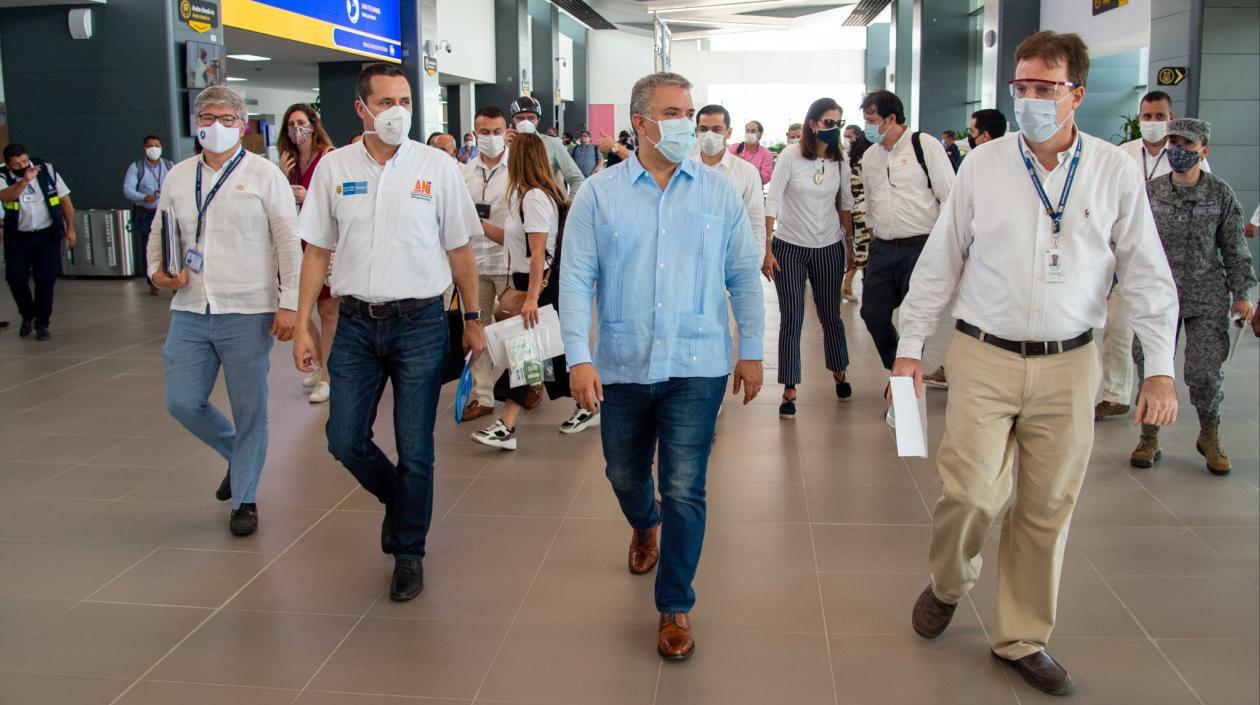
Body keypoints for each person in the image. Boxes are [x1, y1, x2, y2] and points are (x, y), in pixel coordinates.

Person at [892, 32, 1179, 697]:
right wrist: (910, 351)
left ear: (1076, 92)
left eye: (1043, 88)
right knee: (969, 492)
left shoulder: (1113, 170)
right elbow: (939, 266)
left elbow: (1146, 274)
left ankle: (1021, 636)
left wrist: (1158, 368)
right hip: (983, 353)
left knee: (1047, 505)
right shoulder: (984, 166)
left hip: (1070, 362)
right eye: (1020, 87)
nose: (1028, 100)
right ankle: (949, 580)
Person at [560, 71, 764, 661]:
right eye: (677, 113)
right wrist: (578, 356)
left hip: (697, 362)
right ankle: (642, 521)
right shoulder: (600, 194)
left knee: (685, 487)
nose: (690, 125)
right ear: (642, 123)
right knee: (624, 474)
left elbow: (741, 277)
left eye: (693, 111)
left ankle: (675, 603)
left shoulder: (719, 192)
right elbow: (575, 281)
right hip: (622, 363)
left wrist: (750, 349)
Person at [293, 62, 486, 603]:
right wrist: (304, 324)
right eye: (385, 102)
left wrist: (472, 320)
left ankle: (409, 552)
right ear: (361, 108)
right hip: (354, 323)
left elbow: (460, 250)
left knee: (416, 446)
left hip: (421, 323)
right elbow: (316, 252)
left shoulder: (436, 167)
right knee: (344, 438)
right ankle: (401, 502)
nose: (397, 112)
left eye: (404, 101)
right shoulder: (333, 168)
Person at [146, 85, 302, 537]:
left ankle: (246, 497)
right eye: (208, 117)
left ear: (243, 125)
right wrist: (157, 272)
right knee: (182, 399)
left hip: (248, 307)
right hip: (191, 306)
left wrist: (289, 304)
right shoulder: (178, 175)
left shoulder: (263, 174)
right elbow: (160, 232)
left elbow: (288, 243)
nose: (216, 126)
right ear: (196, 124)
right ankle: (240, 456)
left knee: (249, 406)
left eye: (227, 119)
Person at [1129, 118, 1256, 475]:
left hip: (1206, 295)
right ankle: (1149, 435)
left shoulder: (1220, 193)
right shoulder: (1150, 192)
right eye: (1173, 144)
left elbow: (1234, 247)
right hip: (1158, 295)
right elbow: (1131, 244)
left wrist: (1242, 293)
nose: (1177, 151)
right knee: (1150, 365)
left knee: (1205, 373)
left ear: (1204, 150)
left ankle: (1209, 434)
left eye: (1186, 145)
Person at [1098, 90, 1213, 422]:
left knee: (1164, 328)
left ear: (1171, 118)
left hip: (1176, 256)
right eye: (1147, 116)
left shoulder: (1186, 154)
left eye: (1159, 117)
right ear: (1139, 119)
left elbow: (1206, 196)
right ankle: (1115, 395)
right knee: (1116, 328)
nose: (1152, 122)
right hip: (1127, 254)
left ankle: (1166, 391)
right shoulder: (1122, 154)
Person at [471, 132, 587, 448]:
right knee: (549, 354)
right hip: (533, 285)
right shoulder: (527, 196)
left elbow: (538, 253)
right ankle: (588, 405)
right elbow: (515, 242)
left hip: (539, 286)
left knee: (527, 357)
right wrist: (477, 223)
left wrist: (532, 298)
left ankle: (506, 426)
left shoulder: (535, 198)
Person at [859, 90, 955, 399]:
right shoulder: (870, 156)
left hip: (921, 246)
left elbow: (949, 197)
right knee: (872, 313)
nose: (867, 127)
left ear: (890, 119)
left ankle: (903, 385)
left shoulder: (923, 145)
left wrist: (944, 248)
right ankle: (897, 369)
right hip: (884, 247)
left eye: (872, 120)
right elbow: (871, 202)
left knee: (915, 317)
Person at [763, 98, 855, 418]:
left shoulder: (839, 161)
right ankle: (789, 387)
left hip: (828, 245)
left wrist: (850, 245)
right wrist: (767, 247)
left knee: (830, 316)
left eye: (839, 124)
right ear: (813, 124)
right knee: (792, 319)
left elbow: (844, 203)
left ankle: (839, 370)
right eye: (829, 123)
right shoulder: (790, 156)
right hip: (789, 246)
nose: (834, 130)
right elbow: (772, 201)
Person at [277, 103, 338, 404]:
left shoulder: (328, 157)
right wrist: (282, 177)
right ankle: (315, 358)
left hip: (322, 242)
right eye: (290, 124)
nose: (296, 129)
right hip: (295, 241)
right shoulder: (287, 161)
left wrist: (307, 195)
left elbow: (336, 196)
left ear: (313, 125)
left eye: (301, 123)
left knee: (328, 311)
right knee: (302, 307)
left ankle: (328, 375)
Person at [460, 105, 517, 421]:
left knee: (517, 333)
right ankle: (481, 395)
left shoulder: (517, 170)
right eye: (484, 132)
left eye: (497, 132)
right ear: (474, 133)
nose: (491, 138)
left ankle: (523, 389)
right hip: (473, 264)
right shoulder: (463, 173)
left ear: (506, 132)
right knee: (475, 331)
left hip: (509, 265)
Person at [1, 143, 76, 341]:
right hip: (17, 237)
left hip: (47, 235)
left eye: (25, 160)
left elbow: (65, 201)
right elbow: (6, 196)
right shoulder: (2, 176)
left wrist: (71, 229)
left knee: (45, 280)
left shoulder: (47, 170)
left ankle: (42, 323)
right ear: (8, 165)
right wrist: (24, 181)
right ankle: (28, 314)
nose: (23, 165)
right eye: (16, 164)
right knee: (15, 278)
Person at [694, 104, 766, 260]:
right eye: (704, 129)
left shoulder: (746, 172)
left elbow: (755, 221)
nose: (709, 135)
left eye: (716, 129)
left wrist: (755, 263)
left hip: (730, 256)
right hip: (692, 258)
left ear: (729, 132)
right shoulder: (684, 170)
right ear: (696, 132)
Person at [123, 135, 173, 296]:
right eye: (150, 146)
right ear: (144, 148)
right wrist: (142, 197)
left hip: (167, 213)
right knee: (149, 247)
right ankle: (153, 281)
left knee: (172, 246)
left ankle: (173, 280)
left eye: (157, 145)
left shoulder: (168, 165)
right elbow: (127, 190)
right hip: (146, 213)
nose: (154, 148)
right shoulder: (136, 167)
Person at [508, 96, 585, 197]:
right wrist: (503, 145)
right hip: (514, 208)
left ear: (538, 120)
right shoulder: (507, 146)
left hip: (548, 207)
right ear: (513, 120)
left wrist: (568, 206)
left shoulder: (552, 144)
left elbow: (577, 179)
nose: (525, 122)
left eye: (531, 118)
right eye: (520, 118)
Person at [842, 124, 873, 303]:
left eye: (850, 136)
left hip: (859, 209)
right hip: (861, 210)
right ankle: (848, 285)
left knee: (862, 250)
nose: (848, 139)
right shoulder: (856, 157)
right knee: (862, 251)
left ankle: (849, 285)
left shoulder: (858, 157)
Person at [730, 120, 773, 185]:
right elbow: (725, 170)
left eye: (753, 131)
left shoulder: (766, 153)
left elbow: (766, 178)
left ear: (760, 134)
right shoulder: (735, 148)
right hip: (735, 189)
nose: (749, 133)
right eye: (747, 131)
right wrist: (734, 162)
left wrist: (747, 166)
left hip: (755, 190)